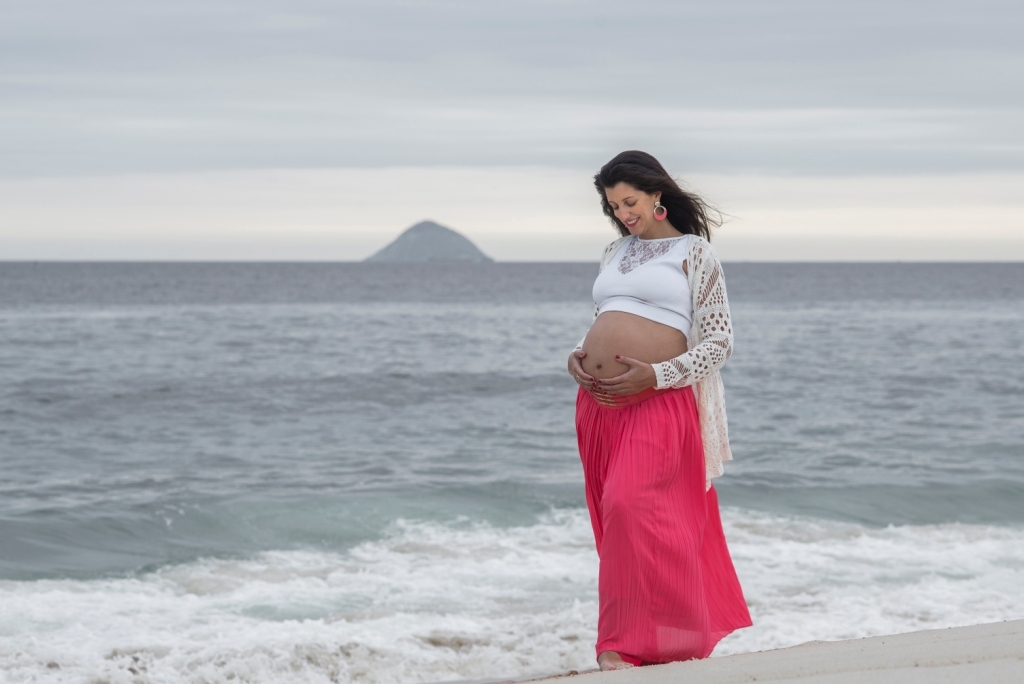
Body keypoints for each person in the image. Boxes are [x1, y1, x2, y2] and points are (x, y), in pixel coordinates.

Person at [568, 151, 752, 670]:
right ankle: (622, 645)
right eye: (614, 206)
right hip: (599, 405)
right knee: (615, 521)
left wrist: (657, 375)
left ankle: (649, 641)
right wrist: (578, 353)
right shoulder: (613, 252)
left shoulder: (695, 254)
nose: (624, 213)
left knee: (633, 509)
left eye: (630, 201)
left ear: (657, 194)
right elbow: (608, 315)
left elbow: (719, 344)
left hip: (658, 401)